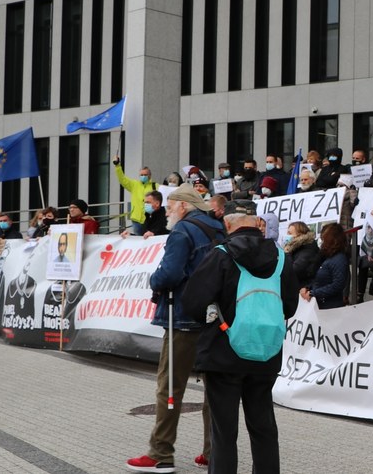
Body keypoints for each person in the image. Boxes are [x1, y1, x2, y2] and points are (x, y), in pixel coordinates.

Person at [181, 211, 298, 474]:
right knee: (263, 427)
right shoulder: (281, 258)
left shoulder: (221, 254)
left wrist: (213, 317)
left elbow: (193, 302)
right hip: (266, 352)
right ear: (257, 224)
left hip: (224, 354)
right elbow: (289, 306)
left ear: (227, 225)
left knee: (224, 431)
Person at [125, 184, 224, 473]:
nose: (167, 211)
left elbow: (169, 273)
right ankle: (214, 451)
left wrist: (154, 279)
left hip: (182, 317)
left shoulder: (182, 231)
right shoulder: (218, 229)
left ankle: (160, 453)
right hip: (214, 318)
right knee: (214, 390)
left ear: (183, 205)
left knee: (169, 387)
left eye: (170, 206)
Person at [302, 222, 349, 309]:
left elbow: (337, 285)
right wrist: (308, 288)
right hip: (321, 305)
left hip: (330, 307)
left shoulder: (339, 259)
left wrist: (313, 293)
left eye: (324, 239)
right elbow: (319, 280)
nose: (322, 242)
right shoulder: (327, 257)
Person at [115, 157, 157, 235]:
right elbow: (122, 179)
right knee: (137, 240)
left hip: (150, 219)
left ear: (150, 175)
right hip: (137, 219)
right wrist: (117, 166)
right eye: (141, 175)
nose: (143, 176)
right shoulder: (134, 185)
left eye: (145, 174)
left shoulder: (155, 186)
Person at [282, 221, 319, 290]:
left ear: (299, 235)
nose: (287, 235)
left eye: (290, 233)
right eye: (287, 232)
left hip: (303, 291)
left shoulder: (308, 250)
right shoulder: (294, 248)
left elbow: (294, 271)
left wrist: (287, 253)